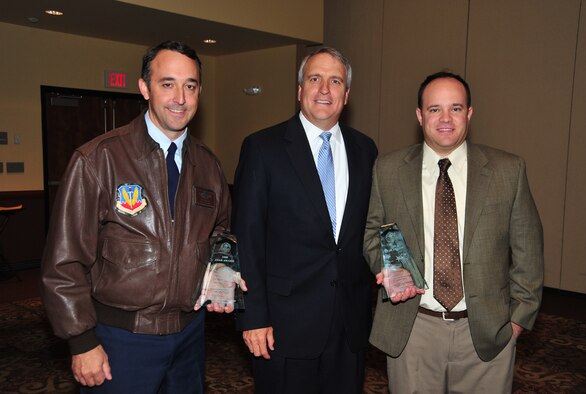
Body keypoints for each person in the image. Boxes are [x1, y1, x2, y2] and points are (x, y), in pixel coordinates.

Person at [41, 41, 244, 393]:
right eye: (167, 84)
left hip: (189, 337)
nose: (179, 97)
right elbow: (63, 261)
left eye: (190, 86)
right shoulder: (98, 159)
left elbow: (220, 232)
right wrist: (82, 341)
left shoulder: (208, 165)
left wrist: (222, 269)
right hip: (120, 338)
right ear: (144, 88)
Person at [364, 71, 544, 393]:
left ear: (469, 114)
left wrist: (518, 319)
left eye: (456, 108)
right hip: (414, 328)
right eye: (434, 109)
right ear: (420, 116)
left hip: (487, 333)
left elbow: (528, 246)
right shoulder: (388, 170)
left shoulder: (508, 170)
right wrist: (394, 272)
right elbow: (372, 234)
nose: (445, 118)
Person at [232, 47, 378, 393]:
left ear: (347, 94)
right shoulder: (262, 148)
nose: (325, 89)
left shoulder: (366, 150)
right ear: (300, 91)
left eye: (335, 81)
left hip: (348, 327)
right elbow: (247, 240)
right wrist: (252, 317)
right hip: (283, 328)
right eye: (315, 79)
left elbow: (369, 229)